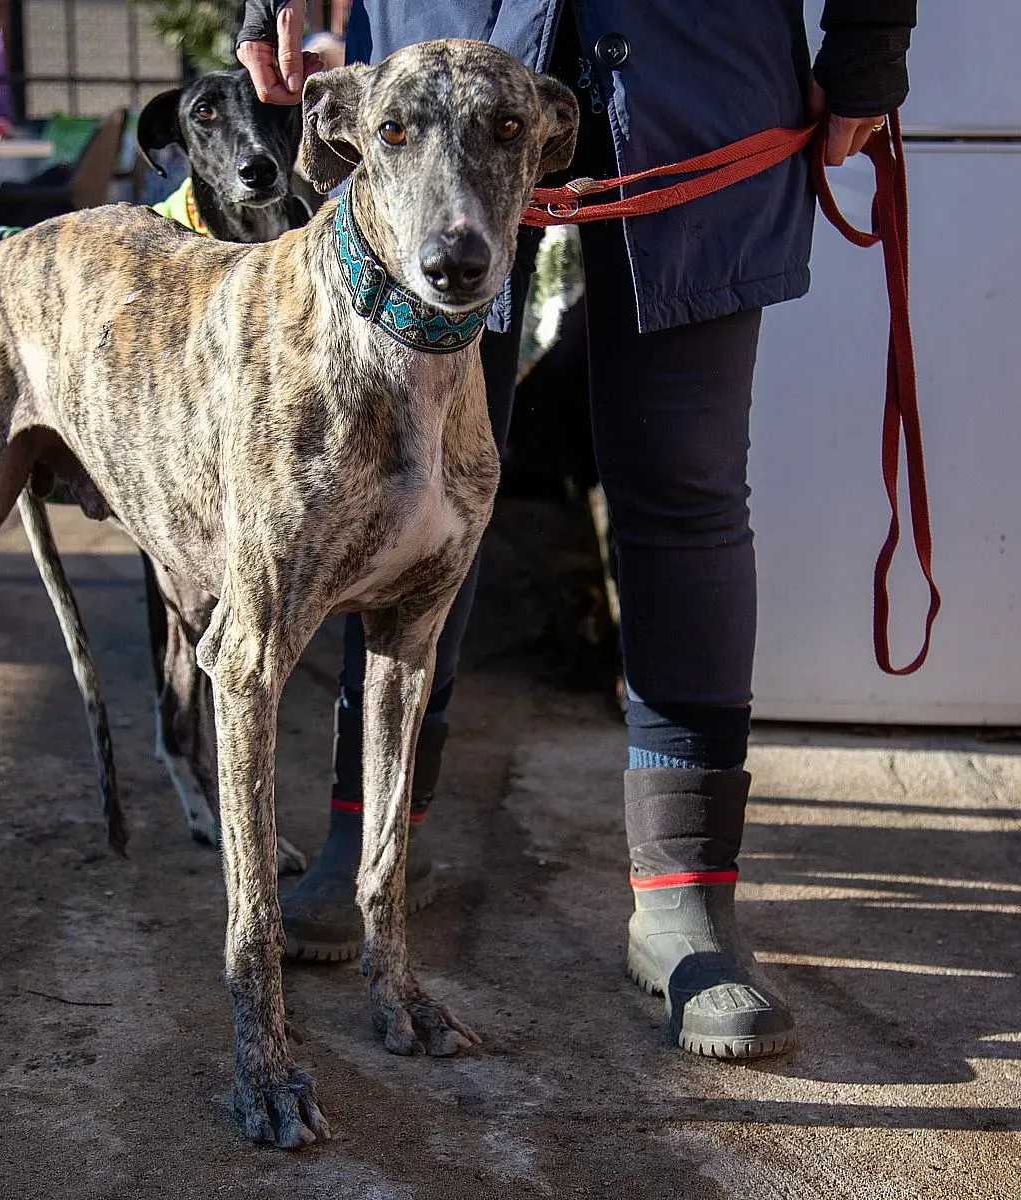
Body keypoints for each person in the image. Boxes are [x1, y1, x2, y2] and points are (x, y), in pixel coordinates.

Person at [238, 0, 915, 1059]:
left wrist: (869, 42)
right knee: (385, 478)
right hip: (457, 36)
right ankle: (362, 834)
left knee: (683, 481)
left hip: (698, 61)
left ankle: (685, 898)